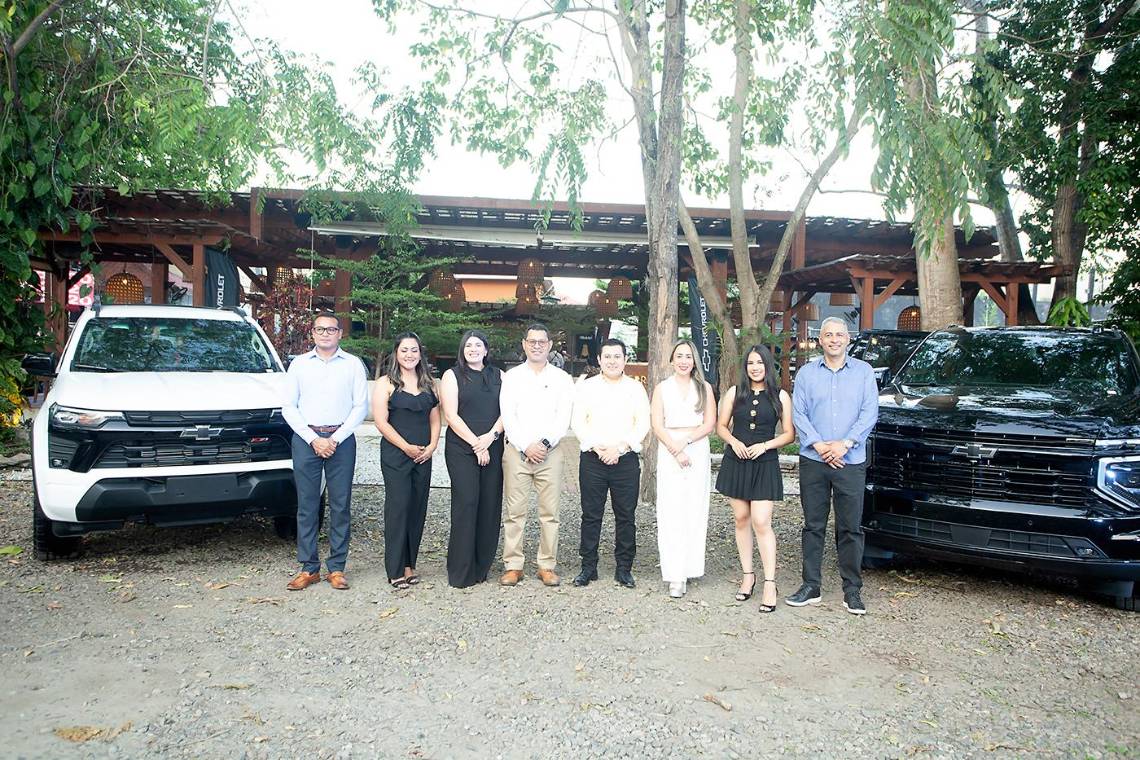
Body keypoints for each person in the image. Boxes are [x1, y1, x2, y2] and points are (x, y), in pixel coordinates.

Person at [787, 317, 878, 615]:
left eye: (840, 334)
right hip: (814, 460)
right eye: (828, 335)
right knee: (813, 525)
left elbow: (869, 413)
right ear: (820, 340)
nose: (834, 339)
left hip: (850, 461)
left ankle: (852, 590)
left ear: (848, 339)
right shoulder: (806, 374)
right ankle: (811, 585)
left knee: (850, 527)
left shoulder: (863, 372)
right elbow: (799, 414)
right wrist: (820, 445)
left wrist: (845, 444)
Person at [280, 312, 368, 591]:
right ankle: (309, 567)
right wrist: (313, 439)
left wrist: (335, 439)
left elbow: (360, 406)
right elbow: (288, 406)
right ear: (313, 333)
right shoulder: (299, 365)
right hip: (306, 439)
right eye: (320, 329)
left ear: (340, 333)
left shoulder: (353, 364)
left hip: (341, 439)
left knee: (341, 504)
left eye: (331, 329)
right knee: (307, 505)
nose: (325, 334)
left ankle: (337, 567)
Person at [715, 344, 795, 612]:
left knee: (761, 521)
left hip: (764, 462)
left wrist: (766, 446)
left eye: (760, 363)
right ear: (745, 367)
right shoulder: (734, 392)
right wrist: (733, 441)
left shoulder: (780, 396)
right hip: (736, 460)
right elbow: (720, 426)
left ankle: (770, 583)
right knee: (741, 519)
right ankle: (748, 576)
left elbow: (789, 434)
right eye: (750, 363)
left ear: (768, 365)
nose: (755, 367)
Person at [570, 338, 651, 588]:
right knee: (591, 515)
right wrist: (597, 447)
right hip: (593, 459)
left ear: (625, 359)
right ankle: (588, 567)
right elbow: (578, 422)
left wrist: (621, 448)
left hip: (625, 459)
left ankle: (624, 568)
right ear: (599, 359)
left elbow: (643, 423)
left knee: (626, 515)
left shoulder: (635, 389)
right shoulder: (587, 387)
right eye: (607, 356)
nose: (612, 361)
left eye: (617, 356)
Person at [499, 323, 575, 587]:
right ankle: (513, 565)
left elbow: (563, 417)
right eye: (532, 341)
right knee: (514, 512)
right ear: (524, 344)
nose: (537, 346)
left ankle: (546, 565)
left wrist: (543, 443)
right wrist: (525, 445)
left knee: (550, 513)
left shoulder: (562, 379)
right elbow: (508, 416)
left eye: (542, 342)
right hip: (517, 452)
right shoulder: (512, 377)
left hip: (550, 453)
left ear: (550, 345)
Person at [373, 332, 441, 590]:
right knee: (398, 508)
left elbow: (435, 419)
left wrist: (432, 446)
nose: (409, 355)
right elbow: (381, 422)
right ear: (396, 353)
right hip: (396, 454)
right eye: (404, 350)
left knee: (417, 509)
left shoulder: (429, 383)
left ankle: (410, 564)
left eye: (414, 350)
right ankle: (395, 568)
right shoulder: (386, 383)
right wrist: (405, 447)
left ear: (420, 354)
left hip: (423, 455)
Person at [650, 339, 716, 598]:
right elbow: (657, 424)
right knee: (671, 510)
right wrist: (675, 449)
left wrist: (686, 442)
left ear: (694, 361)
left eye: (688, 356)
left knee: (695, 508)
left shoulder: (704, 388)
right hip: (669, 449)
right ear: (672, 360)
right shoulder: (662, 388)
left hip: (696, 447)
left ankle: (690, 567)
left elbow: (709, 423)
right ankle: (674, 573)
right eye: (679, 356)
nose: (684, 361)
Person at [440, 330, 504, 588]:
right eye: (468, 345)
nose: (473, 349)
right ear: (462, 350)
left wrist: (490, 437)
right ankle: (461, 570)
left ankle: (481, 567)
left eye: (478, 345)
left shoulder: (499, 376)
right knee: (466, 503)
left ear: (486, 350)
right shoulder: (452, 375)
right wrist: (477, 444)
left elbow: (508, 411)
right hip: (462, 448)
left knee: (489, 505)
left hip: (493, 445)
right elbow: (451, 415)